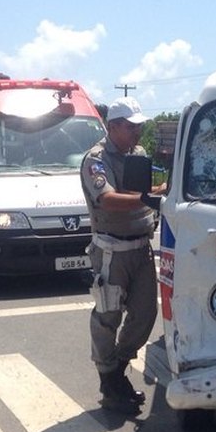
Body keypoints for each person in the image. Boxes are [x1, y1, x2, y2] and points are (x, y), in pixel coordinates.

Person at [79, 97, 166, 414]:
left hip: (141, 247)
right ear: (112, 126)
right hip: (112, 250)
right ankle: (109, 378)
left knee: (145, 314)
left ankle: (117, 368)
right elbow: (109, 200)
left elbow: (146, 190)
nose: (137, 133)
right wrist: (151, 197)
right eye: (131, 127)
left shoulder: (138, 154)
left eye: (139, 127)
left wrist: (159, 192)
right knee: (108, 316)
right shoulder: (96, 159)